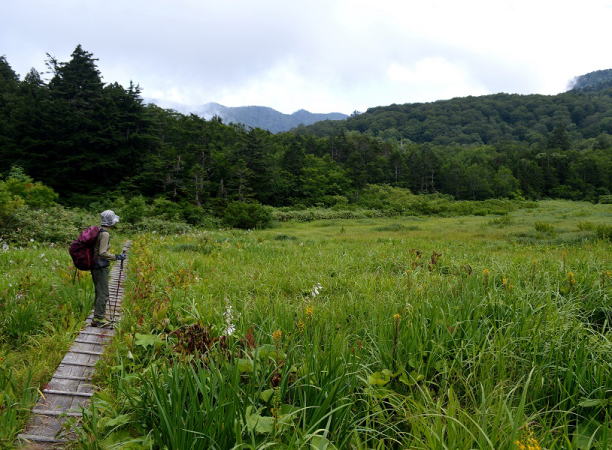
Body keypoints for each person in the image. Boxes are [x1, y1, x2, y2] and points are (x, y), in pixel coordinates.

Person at [91, 210, 126, 328]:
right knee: (104, 293)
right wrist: (116, 257)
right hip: (100, 266)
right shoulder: (105, 234)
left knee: (99, 291)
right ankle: (98, 319)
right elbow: (102, 252)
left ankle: (97, 316)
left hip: (95, 265)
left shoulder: (99, 231)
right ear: (111, 222)